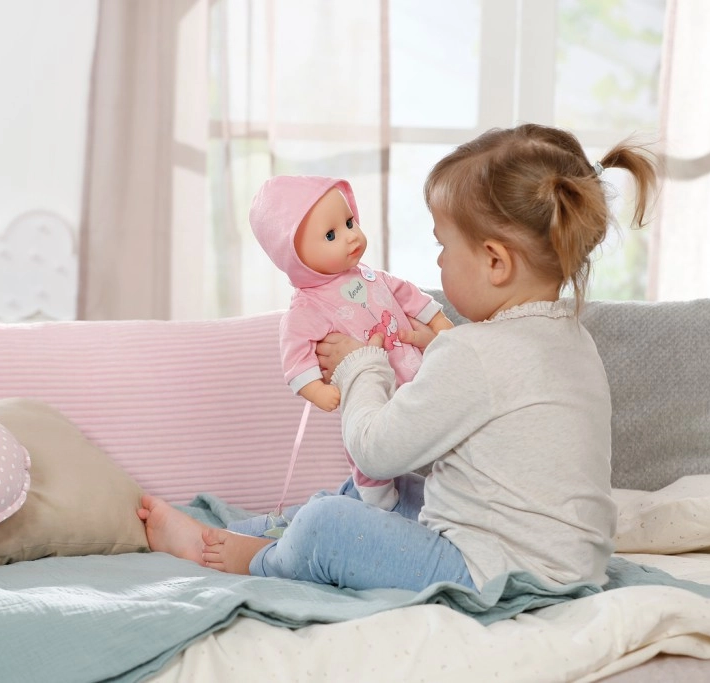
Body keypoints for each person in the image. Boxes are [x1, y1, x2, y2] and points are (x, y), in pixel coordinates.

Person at [138, 123, 658, 594]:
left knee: (330, 525)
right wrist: (435, 349)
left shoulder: (472, 355)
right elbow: (491, 405)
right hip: (570, 563)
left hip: (499, 573)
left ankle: (254, 557)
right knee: (399, 493)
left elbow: (374, 451)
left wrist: (361, 364)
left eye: (444, 246)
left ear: (495, 262)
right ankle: (243, 531)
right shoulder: (572, 339)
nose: (439, 261)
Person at [246, 175, 453, 510]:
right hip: (370, 396)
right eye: (331, 235)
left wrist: (438, 322)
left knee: (434, 433)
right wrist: (315, 389)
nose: (351, 236)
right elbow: (296, 351)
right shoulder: (308, 306)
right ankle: (376, 498)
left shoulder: (370, 275)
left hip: (416, 373)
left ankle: (433, 492)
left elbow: (407, 294)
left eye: (349, 222)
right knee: (363, 446)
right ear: (294, 256)